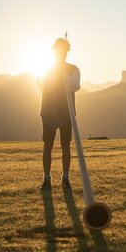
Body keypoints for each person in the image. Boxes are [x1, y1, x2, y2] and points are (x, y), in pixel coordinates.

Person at [38, 35, 81, 189]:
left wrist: (63, 79)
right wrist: (56, 79)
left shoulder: (74, 69)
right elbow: (42, 85)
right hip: (49, 110)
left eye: (63, 50)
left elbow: (75, 86)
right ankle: (47, 179)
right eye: (58, 50)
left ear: (67, 52)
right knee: (47, 145)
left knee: (65, 145)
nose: (60, 53)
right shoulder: (46, 68)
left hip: (66, 112)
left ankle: (65, 178)